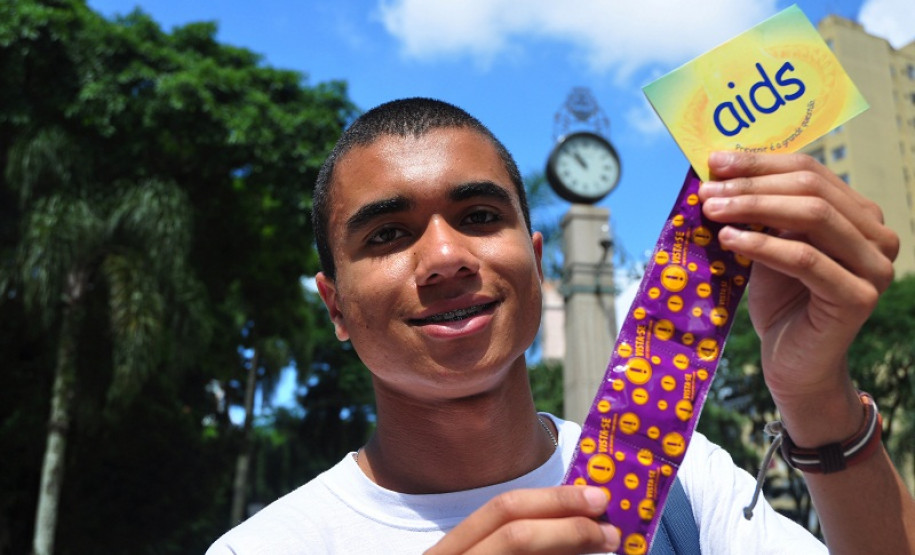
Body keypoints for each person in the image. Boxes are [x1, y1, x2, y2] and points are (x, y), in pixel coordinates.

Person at [207, 97, 915, 554]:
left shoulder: (682, 485)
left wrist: (814, 393)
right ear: (334, 305)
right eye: (387, 235)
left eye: (480, 217)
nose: (446, 257)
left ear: (535, 261)